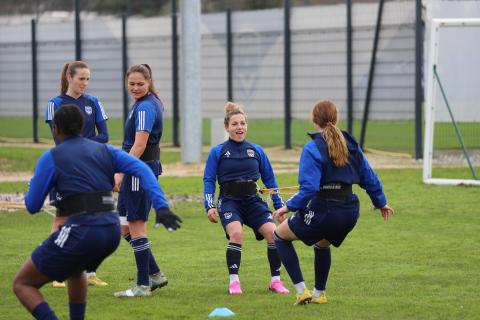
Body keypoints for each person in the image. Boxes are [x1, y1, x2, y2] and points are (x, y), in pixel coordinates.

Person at [13, 105, 181, 320]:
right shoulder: (105, 150)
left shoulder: (51, 156)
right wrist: (162, 206)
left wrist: (32, 185)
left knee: (22, 283)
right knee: (76, 269)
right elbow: (142, 169)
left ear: (56, 129)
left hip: (82, 229)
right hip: (111, 230)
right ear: (83, 127)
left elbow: (33, 205)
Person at [272, 100, 394, 305]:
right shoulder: (351, 144)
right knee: (322, 243)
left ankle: (302, 291)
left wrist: (288, 206)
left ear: (314, 120)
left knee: (279, 236)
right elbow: (368, 176)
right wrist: (381, 202)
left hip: (325, 208)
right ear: (336, 118)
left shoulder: (312, 148)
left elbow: (309, 189)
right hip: (349, 210)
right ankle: (319, 294)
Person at [203, 102, 290, 295]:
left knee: (274, 234)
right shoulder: (217, 152)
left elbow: (270, 180)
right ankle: (234, 282)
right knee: (237, 234)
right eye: (235, 124)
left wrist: (279, 206)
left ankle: (275, 281)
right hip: (229, 201)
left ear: (246, 126)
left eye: (242, 123)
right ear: (227, 127)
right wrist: (209, 206)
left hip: (253, 201)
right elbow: (209, 180)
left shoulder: (257, 151)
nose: (239, 127)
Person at [113, 64, 181, 298]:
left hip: (138, 171)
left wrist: (121, 170)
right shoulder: (143, 104)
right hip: (137, 169)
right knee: (123, 227)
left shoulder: (145, 108)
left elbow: (140, 145)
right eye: (131, 83)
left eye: (140, 83)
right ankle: (154, 274)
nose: (135, 87)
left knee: (136, 225)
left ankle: (142, 285)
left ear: (149, 81)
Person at [45, 60, 109, 288]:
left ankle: (90, 273)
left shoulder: (94, 102)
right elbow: (58, 139)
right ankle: (56, 272)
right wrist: (84, 146)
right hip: (67, 169)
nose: (85, 83)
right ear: (69, 78)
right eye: (81, 78)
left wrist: (83, 146)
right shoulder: (55, 103)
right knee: (62, 219)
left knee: (94, 219)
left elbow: (105, 136)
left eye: (88, 79)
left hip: (92, 170)